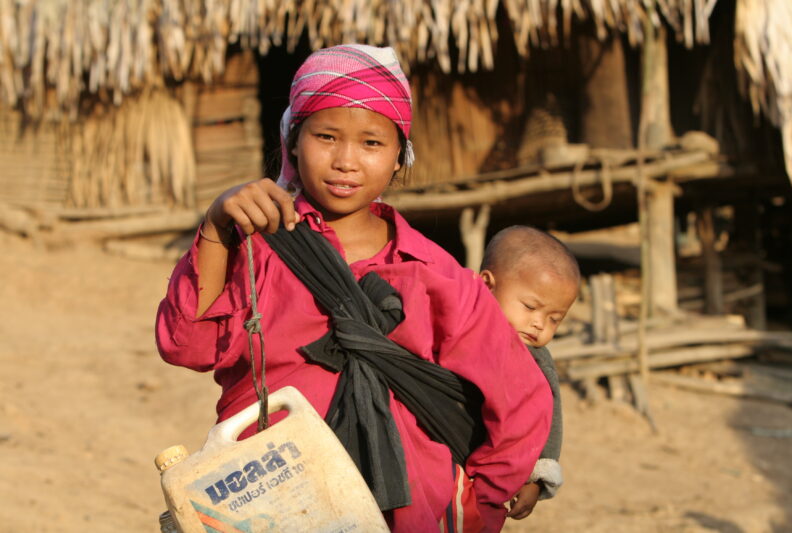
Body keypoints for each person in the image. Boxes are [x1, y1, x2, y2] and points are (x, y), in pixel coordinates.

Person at [155, 44, 552, 533]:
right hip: (269, 502)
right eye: (326, 136)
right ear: (292, 141)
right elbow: (186, 346)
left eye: (371, 144)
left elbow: (521, 400)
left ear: (398, 158)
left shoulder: (435, 273)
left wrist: (474, 506)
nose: (346, 160)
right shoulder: (259, 249)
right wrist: (217, 226)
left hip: (411, 513)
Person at [479, 225, 580, 521]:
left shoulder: (536, 360)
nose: (539, 324)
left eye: (554, 319)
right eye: (530, 307)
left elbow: (550, 417)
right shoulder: (456, 326)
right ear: (487, 285)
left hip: (492, 472)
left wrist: (538, 475)